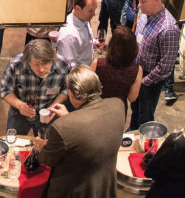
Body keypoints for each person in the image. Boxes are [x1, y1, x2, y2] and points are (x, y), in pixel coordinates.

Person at [31, 66, 127, 198]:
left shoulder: (61, 127)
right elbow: (95, 128)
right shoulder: (118, 104)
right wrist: (69, 117)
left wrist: (41, 146)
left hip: (74, 190)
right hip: (105, 185)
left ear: (71, 93)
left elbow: (48, 160)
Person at [131, 0, 180, 128]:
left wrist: (144, 82)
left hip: (150, 81)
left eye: (143, 1)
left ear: (156, 0)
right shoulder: (144, 15)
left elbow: (166, 66)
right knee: (135, 109)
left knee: (145, 115)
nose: (139, 5)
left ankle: (143, 136)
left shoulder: (168, 28)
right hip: (137, 73)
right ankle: (133, 129)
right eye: (138, 1)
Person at [0, 39, 72, 135]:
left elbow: (67, 88)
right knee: (14, 141)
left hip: (49, 114)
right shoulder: (16, 65)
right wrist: (19, 105)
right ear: (28, 60)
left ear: (53, 59)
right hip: (20, 113)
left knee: (47, 143)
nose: (41, 69)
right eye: (36, 64)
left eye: (45, 64)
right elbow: (5, 90)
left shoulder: (63, 65)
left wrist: (54, 105)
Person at [90, 25, 142, 115]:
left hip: (97, 108)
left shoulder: (97, 63)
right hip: (119, 111)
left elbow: (88, 89)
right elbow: (132, 98)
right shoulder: (137, 70)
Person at [56, 0, 99, 66]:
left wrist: (94, 43)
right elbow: (69, 66)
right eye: (90, 11)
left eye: (94, 10)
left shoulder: (83, 18)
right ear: (78, 8)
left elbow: (83, 43)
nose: (94, 14)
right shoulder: (68, 35)